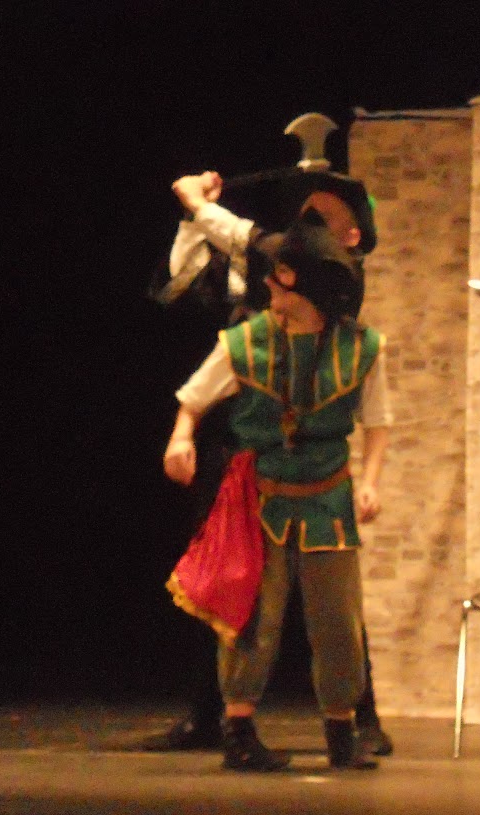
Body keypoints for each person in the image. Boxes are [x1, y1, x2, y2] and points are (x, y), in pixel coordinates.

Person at [149, 162, 393, 757]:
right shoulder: (256, 333)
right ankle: (231, 722)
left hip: (326, 491)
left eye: (322, 214)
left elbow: (377, 419)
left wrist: (197, 202)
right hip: (259, 480)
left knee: (337, 616)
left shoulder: (345, 319)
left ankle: (347, 724)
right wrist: (182, 436)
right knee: (249, 606)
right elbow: (194, 385)